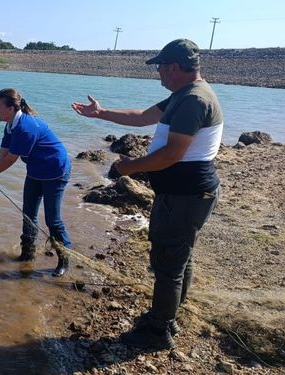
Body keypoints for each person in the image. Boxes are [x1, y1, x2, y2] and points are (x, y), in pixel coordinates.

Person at [71, 39, 222, 350]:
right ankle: (167, 317)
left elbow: (172, 154)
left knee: (169, 264)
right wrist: (101, 114)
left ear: (175, 67)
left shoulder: (194, 100)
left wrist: (129, 167)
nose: (158, 74)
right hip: (182, 195)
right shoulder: (184, 95)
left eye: (161, 68)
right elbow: (141, 116)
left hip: (185, 196)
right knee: (178, 259)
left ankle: (158, 331)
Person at [0, 88, 72, 277]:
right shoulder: (10, 125)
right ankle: (27, 255)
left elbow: (10, 159)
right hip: (35, 171)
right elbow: (2, 154)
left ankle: (64, 259)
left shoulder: (25, 127)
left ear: (10, 108)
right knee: (28, 215)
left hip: (56, 171)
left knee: (52, 219)